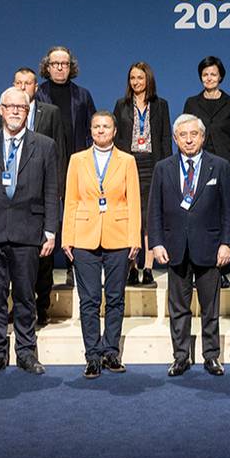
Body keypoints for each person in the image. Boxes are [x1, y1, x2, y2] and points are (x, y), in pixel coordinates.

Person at [0, 87, 60, 377]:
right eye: (10, 106)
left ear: (27, 111)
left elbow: (51, 191)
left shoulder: (44, 145)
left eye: (21, 107)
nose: (16, 111)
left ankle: (26, 351)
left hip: (28, 231)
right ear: (1, 109)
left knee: (24, 295)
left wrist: (51, 230)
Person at [149, 115, 230, 377]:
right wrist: (156, 242)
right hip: (174, 247)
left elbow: (229, 210)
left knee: (210, 307)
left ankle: (211, 356)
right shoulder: (163, 168)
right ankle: (180, 357)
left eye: (193, 134)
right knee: (178, 307)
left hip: (210, 247)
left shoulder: (219, 166)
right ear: (175, 139)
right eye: (183, 135)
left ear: (202, 137)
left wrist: (227, 243)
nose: (188, 139)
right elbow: (154, 209)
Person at [62, 112, 142, 379]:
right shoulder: (77, 160)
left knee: (116, 299)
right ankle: (92, 356)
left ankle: (111, 352)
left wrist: (135, 239)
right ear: (91, 130)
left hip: (119, 236)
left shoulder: (127, 161)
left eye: (106, 126)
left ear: (115, 130)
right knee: (89, 300)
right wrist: (67, 237)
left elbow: (134, 202)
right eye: (96, 126)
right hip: (84, 237)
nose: (100, 130)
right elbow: (70, 200)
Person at [0, 67, 68, 324]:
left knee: (43, 261)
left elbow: (59, 153)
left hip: (40, 195)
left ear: (37, 87)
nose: (23, 87)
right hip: (9, 201)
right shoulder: (0, 113)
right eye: (18, 82)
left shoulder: (51, 113)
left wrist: (56, 192)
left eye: (28, 83)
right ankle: (18, 309)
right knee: (12, 264)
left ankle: (41, 307)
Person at [36, 46, 96, 290]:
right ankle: (44, 275)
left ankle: (75, 268)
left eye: (64, 63)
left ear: (71, 67)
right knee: (49, 220)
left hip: (76, 163)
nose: (60, 67)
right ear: (47, 67)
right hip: (47, 165)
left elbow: (93, 130)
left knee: (77, 218)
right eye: (55, 63)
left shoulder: (82, 95)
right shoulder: (38, 94)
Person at [183, 55, 230, 279]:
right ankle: (195, 267)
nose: (209, 78)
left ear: (220, 77)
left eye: (213, 74)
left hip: (223, 164)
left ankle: (222, 269)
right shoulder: (192, 102)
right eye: (205, 75)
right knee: (198, 213)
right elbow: (184, 133)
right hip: (197, 163)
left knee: (223, 213)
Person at [113, 61, 172, 288]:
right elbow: (117, 140)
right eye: (132, 78)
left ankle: (147, 268)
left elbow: (165, 138)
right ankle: (131, 268)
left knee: (149, 219)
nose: (136, 82)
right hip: (129, 164)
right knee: (130, 219)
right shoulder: (122, 105)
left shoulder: (161, 105)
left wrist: (166, 167)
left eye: (140, 78)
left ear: (148, 79)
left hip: (153, 164)